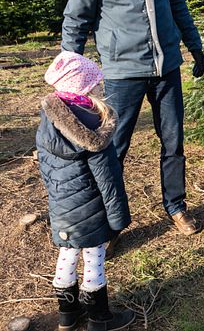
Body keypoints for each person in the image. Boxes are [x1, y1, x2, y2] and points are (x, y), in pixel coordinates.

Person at [61, 0, 204, 237]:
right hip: (122, 73)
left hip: (166, 67)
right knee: (113, 148)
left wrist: (194, 45)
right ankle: (105, 224)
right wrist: (69, 73)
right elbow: (76, 19)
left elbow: (177, 4)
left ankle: (176, 206)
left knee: (173, 142)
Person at [37, 51, 135, 331]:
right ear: (83, 88)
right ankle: (99, 318)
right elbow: (108, 179)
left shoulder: (49, 121)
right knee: (94, 258)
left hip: (61, 206)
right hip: (91, 207)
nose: (99, 88)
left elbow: (45, 169)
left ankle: (67, 314)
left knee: (67, 253)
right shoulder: (94, 128)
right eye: (95, 83)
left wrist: (57, 199)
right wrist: (118, 219)